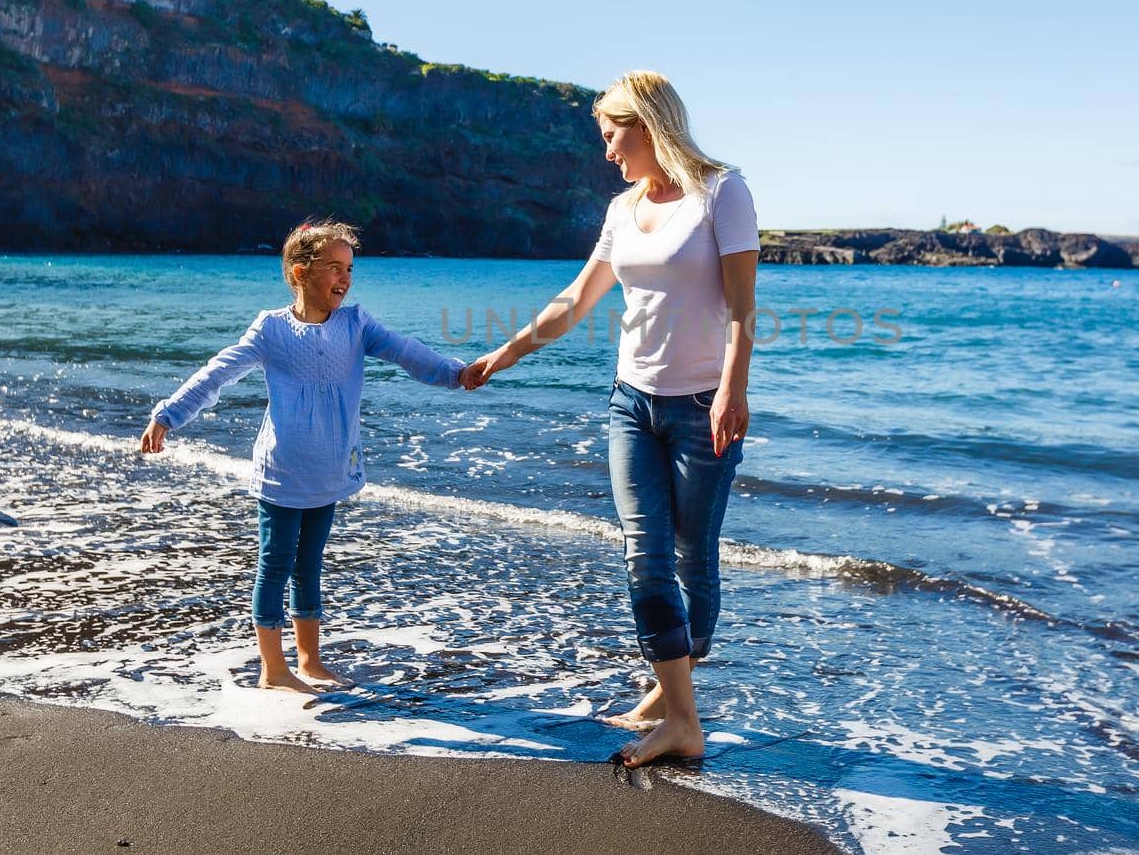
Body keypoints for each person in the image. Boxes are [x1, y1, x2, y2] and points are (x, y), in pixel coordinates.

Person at [463, 70, 758, 766]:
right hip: (631, 402)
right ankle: (683, 718)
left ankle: (669, 694)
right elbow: (575, 299)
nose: (606, 151)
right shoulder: (622, 209)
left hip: (699, 407)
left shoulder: (722, 191)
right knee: (643, 555)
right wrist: (505, 353)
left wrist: (730, 389)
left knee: (693, 559)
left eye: (611, 133)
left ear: (649, 122)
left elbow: (743, 308)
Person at [139, 220, 478, 694]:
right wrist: (167, 416)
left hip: (330, 470)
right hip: (282, 472)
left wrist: (457, 374)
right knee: (275, 564)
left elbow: (409, 353)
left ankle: (310, 661)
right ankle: (272, 669)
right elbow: (216, 374)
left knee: (310, 566)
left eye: (350, 269)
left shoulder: (356, 325)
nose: (345, 278)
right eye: (334, 268)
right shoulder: (272, 330)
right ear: (301, 273)